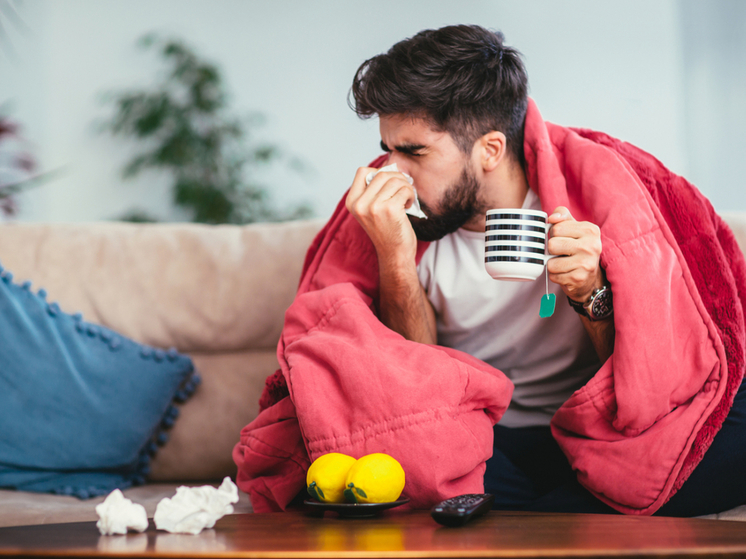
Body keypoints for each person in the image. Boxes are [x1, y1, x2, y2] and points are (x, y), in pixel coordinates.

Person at [233, 25, 746, 517]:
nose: (391, 171)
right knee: (374, 453)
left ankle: (520, 516)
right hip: (476, 439)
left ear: (490, 150)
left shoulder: (592, 196)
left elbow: (647, 376)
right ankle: (564, 515)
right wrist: (393, 255)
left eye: (413, 152)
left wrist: (592, 291)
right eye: (387, 149)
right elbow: (402, 388)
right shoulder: (395, 221)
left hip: (593, 427)